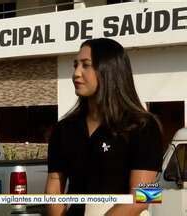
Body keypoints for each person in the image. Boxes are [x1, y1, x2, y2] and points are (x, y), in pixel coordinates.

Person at [45, 38, 163, 216]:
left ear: (109, 70)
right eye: (75, 65)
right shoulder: (63, 128)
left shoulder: (144, 126)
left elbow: (145, 196)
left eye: (86, 65)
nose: (76, 73)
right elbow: (54, 185)